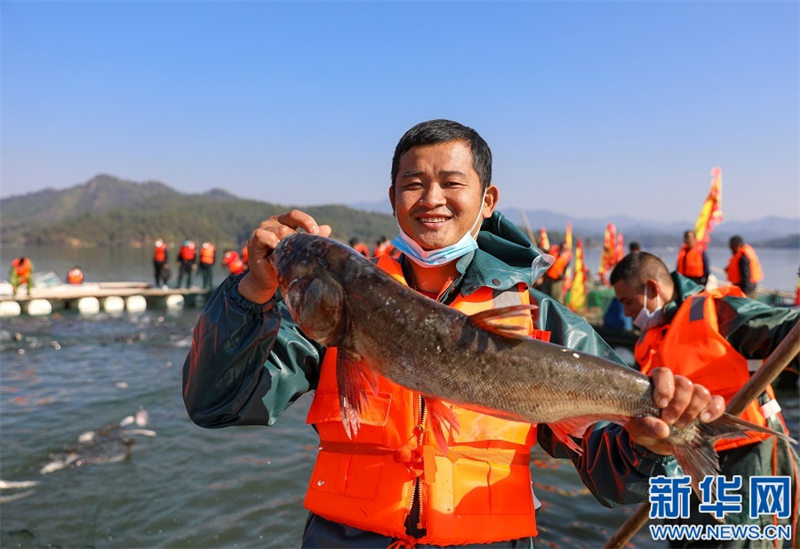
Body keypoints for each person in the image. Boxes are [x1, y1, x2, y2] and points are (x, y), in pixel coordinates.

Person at [183, 119, 726, 547]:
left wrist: (647, 442)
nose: (431, 198)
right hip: (347, 541)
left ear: (487, 200)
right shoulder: (328, 319)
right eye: (413, 184)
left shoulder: (543, 323)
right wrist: (251, 294)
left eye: (452, 182)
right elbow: (215, 404)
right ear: (393, 198)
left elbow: (617, 483)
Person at [610, 251, 799, 547]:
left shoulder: (717, 309)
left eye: (628, 302)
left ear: (652, 289)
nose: (626, 314)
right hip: (682, 465)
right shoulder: (649, 341)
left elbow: (782, 329)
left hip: (743, 456)